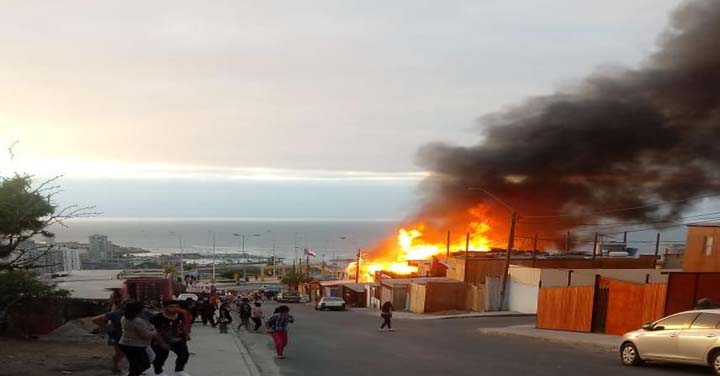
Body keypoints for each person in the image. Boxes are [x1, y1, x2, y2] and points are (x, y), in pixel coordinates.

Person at [150, 300, 192, 376]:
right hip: (161, 340)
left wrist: (186, 334)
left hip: (177, 339)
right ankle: (158, 372)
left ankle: (179, 370)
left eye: (176, 307)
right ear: (165, 307)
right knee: (160, 357)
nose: (175, 308)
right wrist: (161, 343)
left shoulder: (179, 315)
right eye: (171, 307)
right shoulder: (157, 317)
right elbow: (154, 331)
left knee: (184, 354)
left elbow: (181, 324)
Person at [118, 300, 157, 376]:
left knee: (134, 364)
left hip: (125, 344)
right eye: (143, 308)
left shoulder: (124, 318)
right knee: (145, 364)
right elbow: (146, 334)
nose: (144, 310)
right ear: (138, 310)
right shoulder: (136, 321)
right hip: (135, 346)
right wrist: (155, 332)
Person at [92, 301, 127, 373]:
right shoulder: (115, 314)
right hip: (117, 336)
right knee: (120, 353)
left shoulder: (135, 314)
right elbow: (95, 319)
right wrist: (107, 327)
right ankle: (115, 367)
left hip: (129, 336)